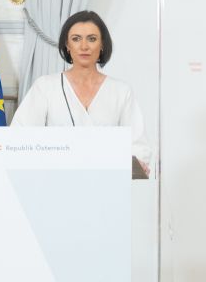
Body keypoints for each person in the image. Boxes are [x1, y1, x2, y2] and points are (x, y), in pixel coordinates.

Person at [11, 10, 150, 170]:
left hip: (107, 185)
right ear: (67, 45)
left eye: (92, 39)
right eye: (76, 39)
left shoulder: (121, 91)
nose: (84, 46)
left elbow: (138, 149)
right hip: (54, 185)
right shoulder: (45, 87)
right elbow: (19, 138)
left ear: (102, 44)